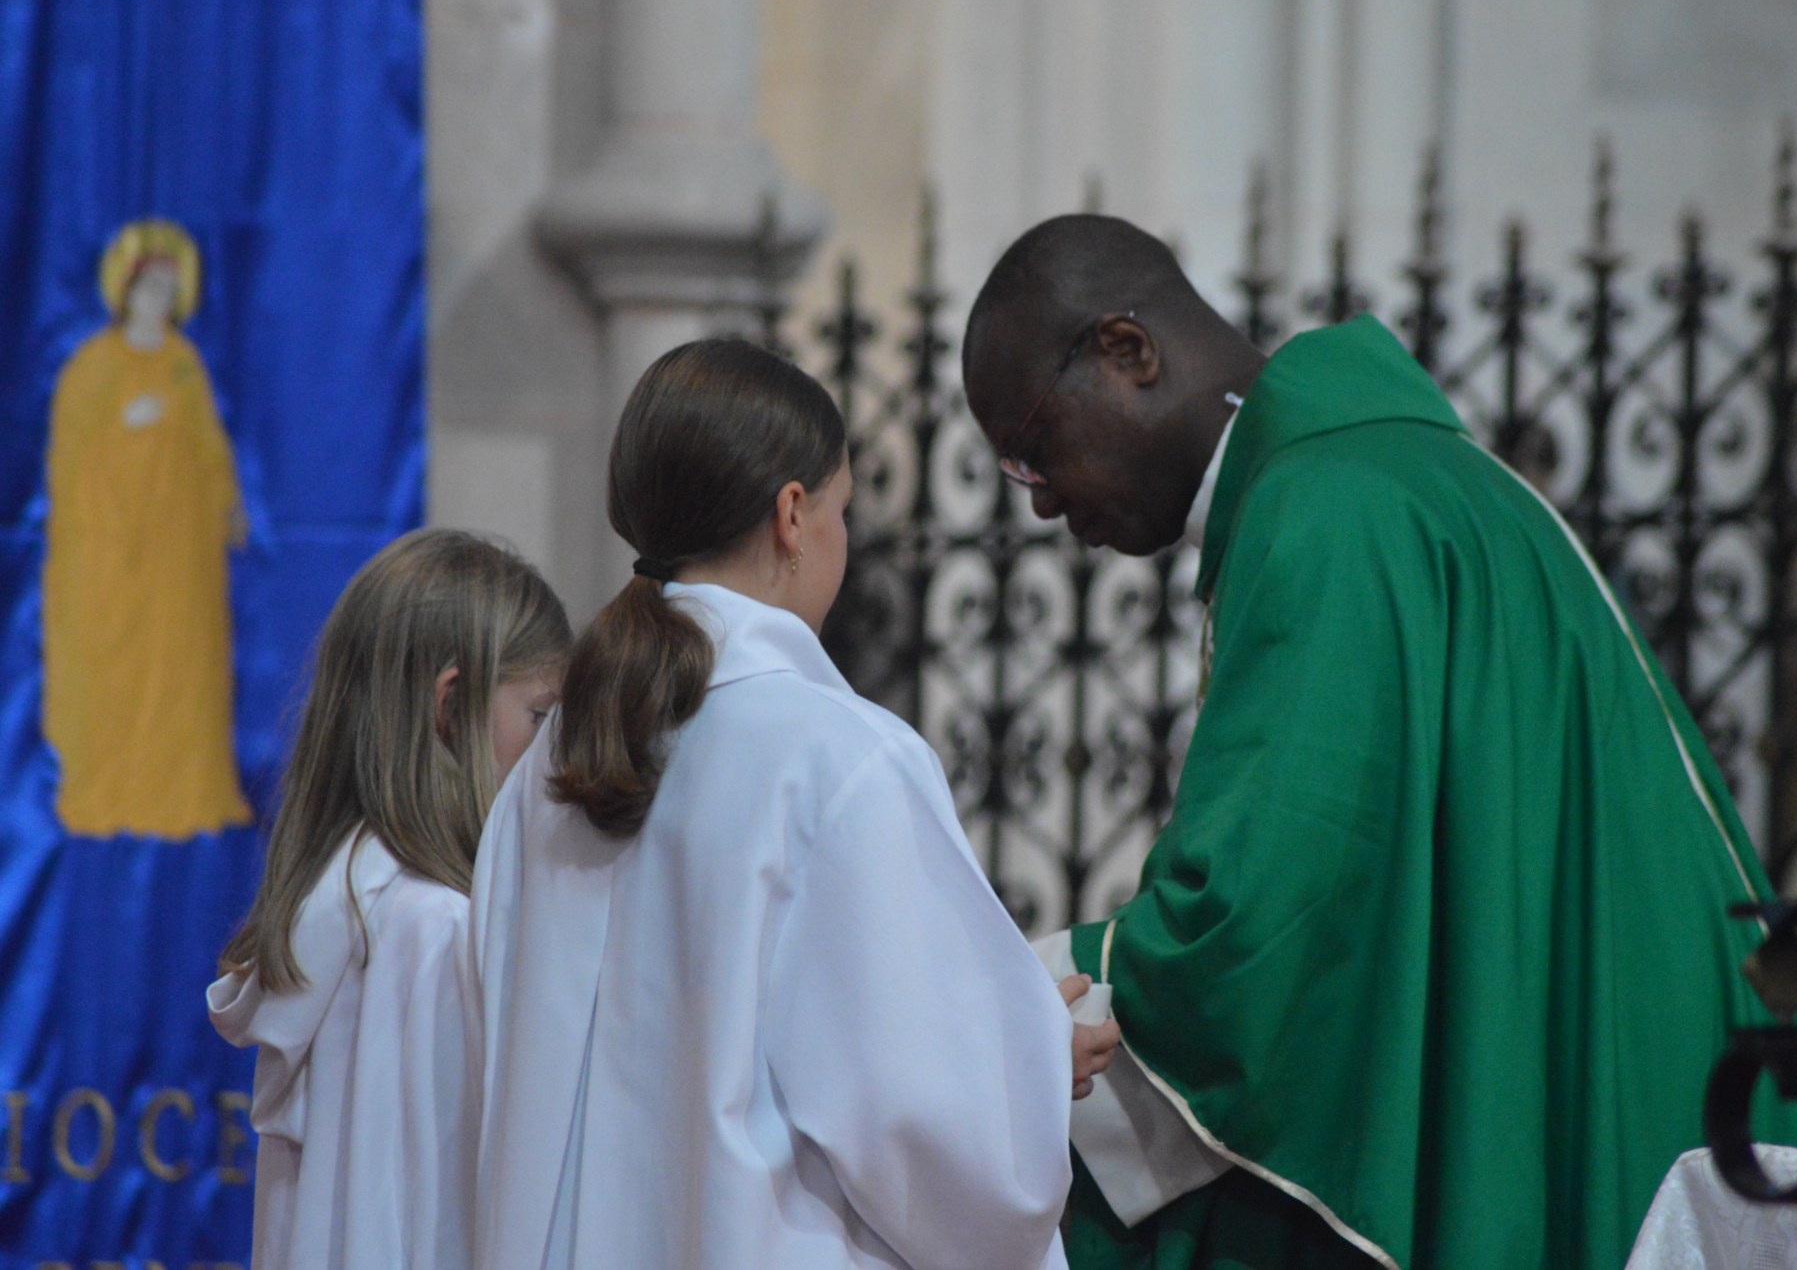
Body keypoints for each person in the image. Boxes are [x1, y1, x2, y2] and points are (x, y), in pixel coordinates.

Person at [959, 215, 1797, 1270]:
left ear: (1126, 351)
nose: (1047, 497)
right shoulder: (1390, 476)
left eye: (1031, 449)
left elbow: (1261, 926)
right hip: (1646, 1059)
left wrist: (1012, 991)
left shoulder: (1330, 514)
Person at [469, 338, 1112, 1270]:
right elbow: (933, 1141)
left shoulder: (548, 765)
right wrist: (1028, 1068)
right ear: (794, 514)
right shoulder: (843, 760)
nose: (843, 542)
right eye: (844, 511)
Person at [207, 528, 569, 1270]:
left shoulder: (345, 899)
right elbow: (449, 1225)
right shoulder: (438, 932)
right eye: (540, 716)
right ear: (451, 707)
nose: (554, 756)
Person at [43, 218, 252, 838]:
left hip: (179, 555)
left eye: (169, 290)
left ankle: (183, 793)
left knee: (182, 671)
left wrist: (227, 501)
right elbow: (70, 465)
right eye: (149, 288)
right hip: (114, 560)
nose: (158, 300)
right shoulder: (90, 369)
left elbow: (208, 444)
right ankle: (114, 790)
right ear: (126, 294)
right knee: (118, 679)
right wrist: (123, 431)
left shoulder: (184, 364)